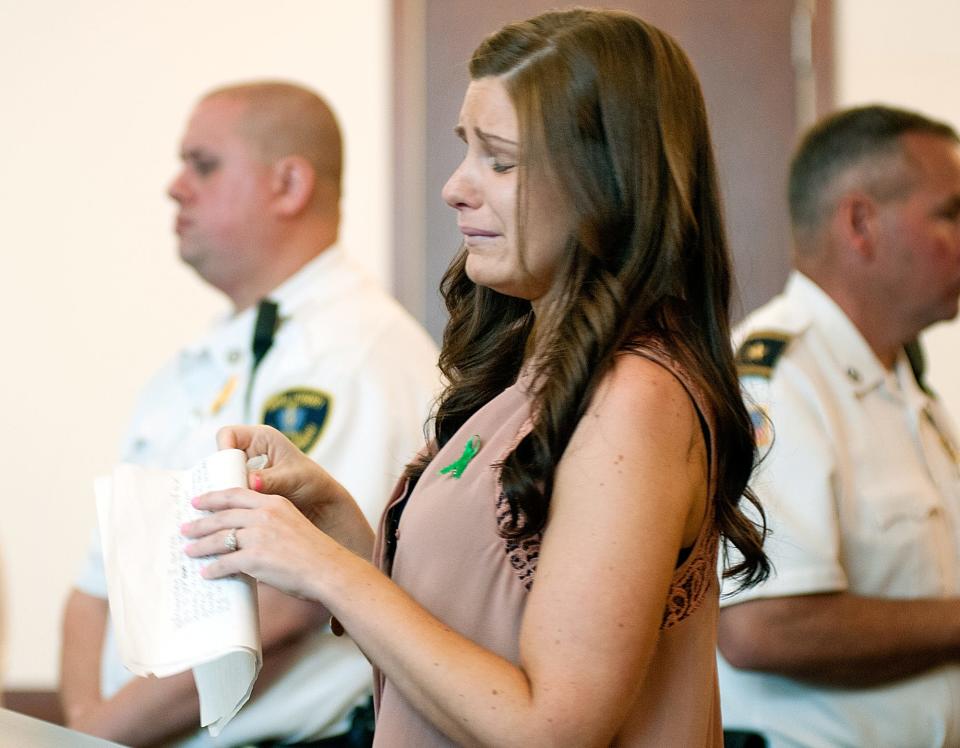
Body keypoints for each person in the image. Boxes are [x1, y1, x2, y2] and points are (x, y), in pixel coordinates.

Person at [181, 10, 768, 746]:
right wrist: (338, 528)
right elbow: (452, 664)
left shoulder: (636, 398)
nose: (455, 188)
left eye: (500, 159)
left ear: (607, 180)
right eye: (466, 152)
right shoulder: (527, 378)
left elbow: (548, 728)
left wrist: (329, 573)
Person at [59, 81, 440, 747]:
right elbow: (95, 587)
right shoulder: (190, 369)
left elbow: (292, 601)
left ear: (288, 185)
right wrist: (87, 726)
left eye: (203, 165)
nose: (175, 187)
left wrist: (99, 736)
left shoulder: (358, 353)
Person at [718, 105, 960, 747]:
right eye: (951, 213)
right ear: (861, 223)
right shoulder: (776, 379)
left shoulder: (903, 381)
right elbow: (762, 627)